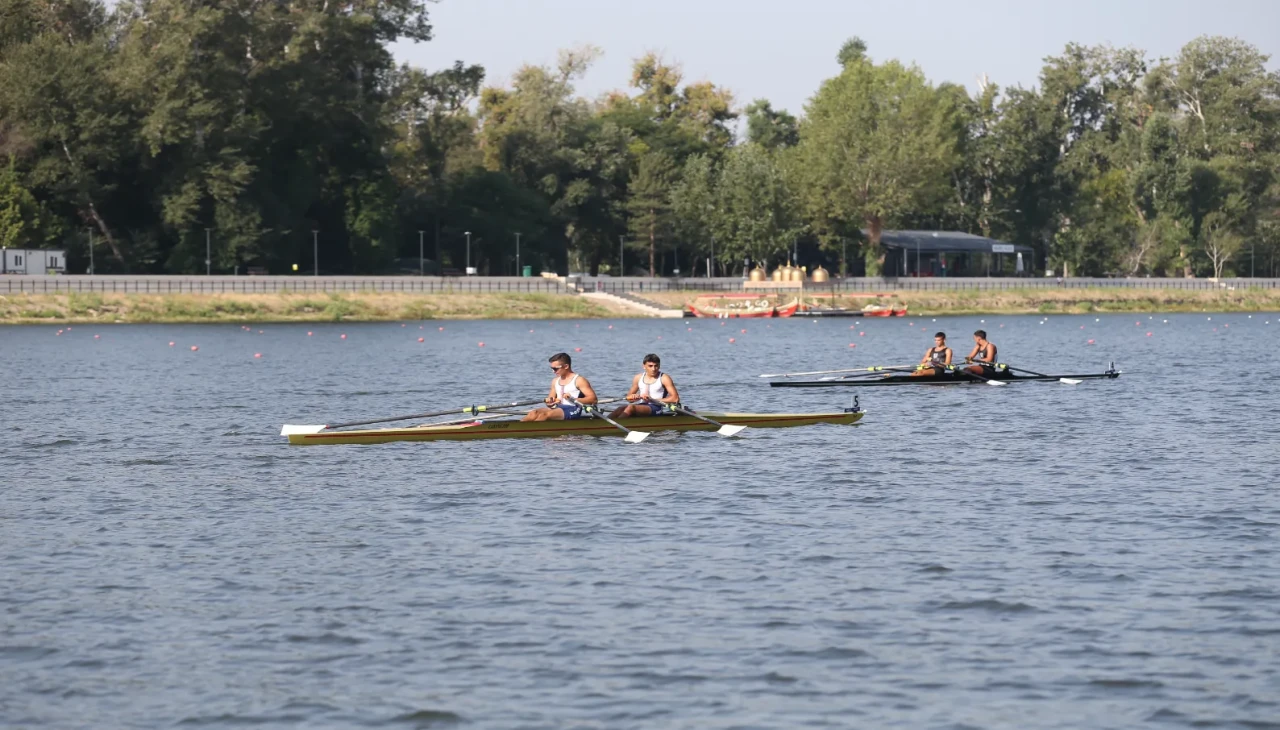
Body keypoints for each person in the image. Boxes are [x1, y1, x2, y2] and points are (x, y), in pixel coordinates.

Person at [522, 352, 597, 421]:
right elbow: (550, 403)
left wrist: (573, 399)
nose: (553, 371)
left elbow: (593, 399)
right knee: (533, 413)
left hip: (573, 409)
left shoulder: (579, 380)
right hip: (558, 408)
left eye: (555, 369)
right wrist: (550, 402)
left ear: (566, 366)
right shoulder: (555, 381)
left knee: (544, 415)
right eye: (552, 368)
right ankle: (518, 429)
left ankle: (532, 432)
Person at [610, 354, 680, 419]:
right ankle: (604, 423)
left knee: (631, 407)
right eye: (650, 366)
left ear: (659, 366)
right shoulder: (638, 377)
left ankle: (614, 426)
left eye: (656, 366)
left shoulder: (664, 378)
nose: (654, 369)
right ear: (643, 366)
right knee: (620, 409)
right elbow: (629, 399)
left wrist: (653, 399)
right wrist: (634, 397)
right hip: (642, 406)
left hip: (656, 408)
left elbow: (675, 399)